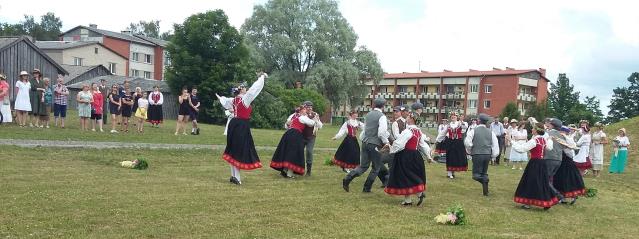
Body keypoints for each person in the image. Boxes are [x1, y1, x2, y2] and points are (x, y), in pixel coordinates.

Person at [217, 73, 268, 185]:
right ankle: (237, 178)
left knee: (232, 149)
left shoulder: (234, 100)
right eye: (244, 88)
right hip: (241, 125)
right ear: (241, 91)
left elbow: (224, 101)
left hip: (233, 124)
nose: (246, 89)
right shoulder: (245, 99)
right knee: (239, 150)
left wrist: (220, 97)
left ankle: (233, 176)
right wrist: (262, 77)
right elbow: (255, 89)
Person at [342, 97, 390, 193]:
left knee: (363, 166)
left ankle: (348, 178)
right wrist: (386, 142)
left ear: (374, 105)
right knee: (376, 167)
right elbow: (381, 133)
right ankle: (366, 188)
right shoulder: (382, 116)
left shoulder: (368, 115)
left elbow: (365, 130)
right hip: (375, 144)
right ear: (383, 106)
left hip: (365, 142)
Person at [385, 109, 431, 206]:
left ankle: (418, 194)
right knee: (409, 175)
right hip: (415, 155)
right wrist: (428, 156)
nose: (407, 118)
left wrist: (391, 149)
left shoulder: (408, 131)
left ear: (412, 119)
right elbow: (423, 145)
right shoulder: (418, 132)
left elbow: (400, 143)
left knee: (405, 176)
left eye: (409, 117)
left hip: (405, 155)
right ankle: (408, 200)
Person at [512, 122, 558, 210]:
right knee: (542, 182)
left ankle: (528, 203)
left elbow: (521, 149)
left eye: (533, 128)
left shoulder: (534, 140)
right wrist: (550, 139)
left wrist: (512, 142)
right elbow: (550, 148)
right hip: (542, 163)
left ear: (536, 131)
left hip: (534, 163)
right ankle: (546, 203)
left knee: (530, 182)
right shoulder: (543, 140)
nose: (532, 129)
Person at [271, 104, 316, 178]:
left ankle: (285, 171)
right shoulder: (303, 117)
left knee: (288, 152)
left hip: (288, 134)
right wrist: (315, 118)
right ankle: (289, 174)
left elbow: (287, 124)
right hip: (295, 135)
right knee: (293, 154)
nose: (306, 110)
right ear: (301, 111)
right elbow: (311, 123)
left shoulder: (295, 117)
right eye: (304, 109)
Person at [464, 113, 499, 196]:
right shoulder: (491, 132)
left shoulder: (473, 131)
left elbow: (467, 143)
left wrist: (470, 150)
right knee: (484, 173)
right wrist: (493, 155)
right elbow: (495, 145)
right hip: (487, 155)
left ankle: (485, 180)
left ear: (478, 121)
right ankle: (486, 192)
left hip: (477, 154)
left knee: (476, 175)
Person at [553, 126, 585, 205]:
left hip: (566, 161)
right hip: (562, 161)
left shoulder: (568, 139)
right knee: (560, 179)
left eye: (561, 131)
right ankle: (562, 197)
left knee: (566, 179)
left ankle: (568, 196)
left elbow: (570, 151)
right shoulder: (560, 138)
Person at [436, 112, 468, 179]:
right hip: (450, 143)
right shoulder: (448, 125)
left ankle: (453, 172)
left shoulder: (460, 124)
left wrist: (461, 121)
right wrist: (438, 140)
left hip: (458, 142)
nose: (453, 117)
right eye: (452, 116)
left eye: (454, 116)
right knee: (450, 157)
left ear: (457, 117)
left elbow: (465, 128)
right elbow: (442, 133)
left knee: (457, 157)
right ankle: (449, 173)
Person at [301, 101, 323, 176]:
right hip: (301, 136)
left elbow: (320, 126)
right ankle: (298, 169)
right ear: (304, 107)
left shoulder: (315, 114)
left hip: (311, 136)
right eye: (307, 107)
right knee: (299, 151)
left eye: (311, 107)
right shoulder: (302, 114)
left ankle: (308, 171)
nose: (309, 108)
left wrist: (317, 120)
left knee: (309, 151)